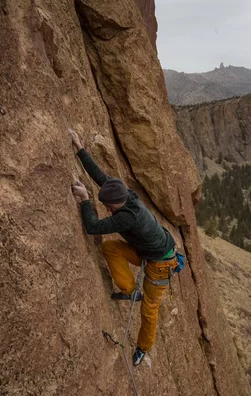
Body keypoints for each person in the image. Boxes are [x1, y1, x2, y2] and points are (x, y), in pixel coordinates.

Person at [68, 129, 178, 366]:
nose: (107, 210)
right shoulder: (124, 194)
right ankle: (129, 290)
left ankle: (143, 348)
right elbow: (100, 177)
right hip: (149, 253)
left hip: (160, 266)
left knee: (149, 311)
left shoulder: (127, 217)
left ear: (117, 205)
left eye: (108, 207)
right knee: (111, 248)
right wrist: (79, 148)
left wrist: (86, 199)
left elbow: (92, 227)